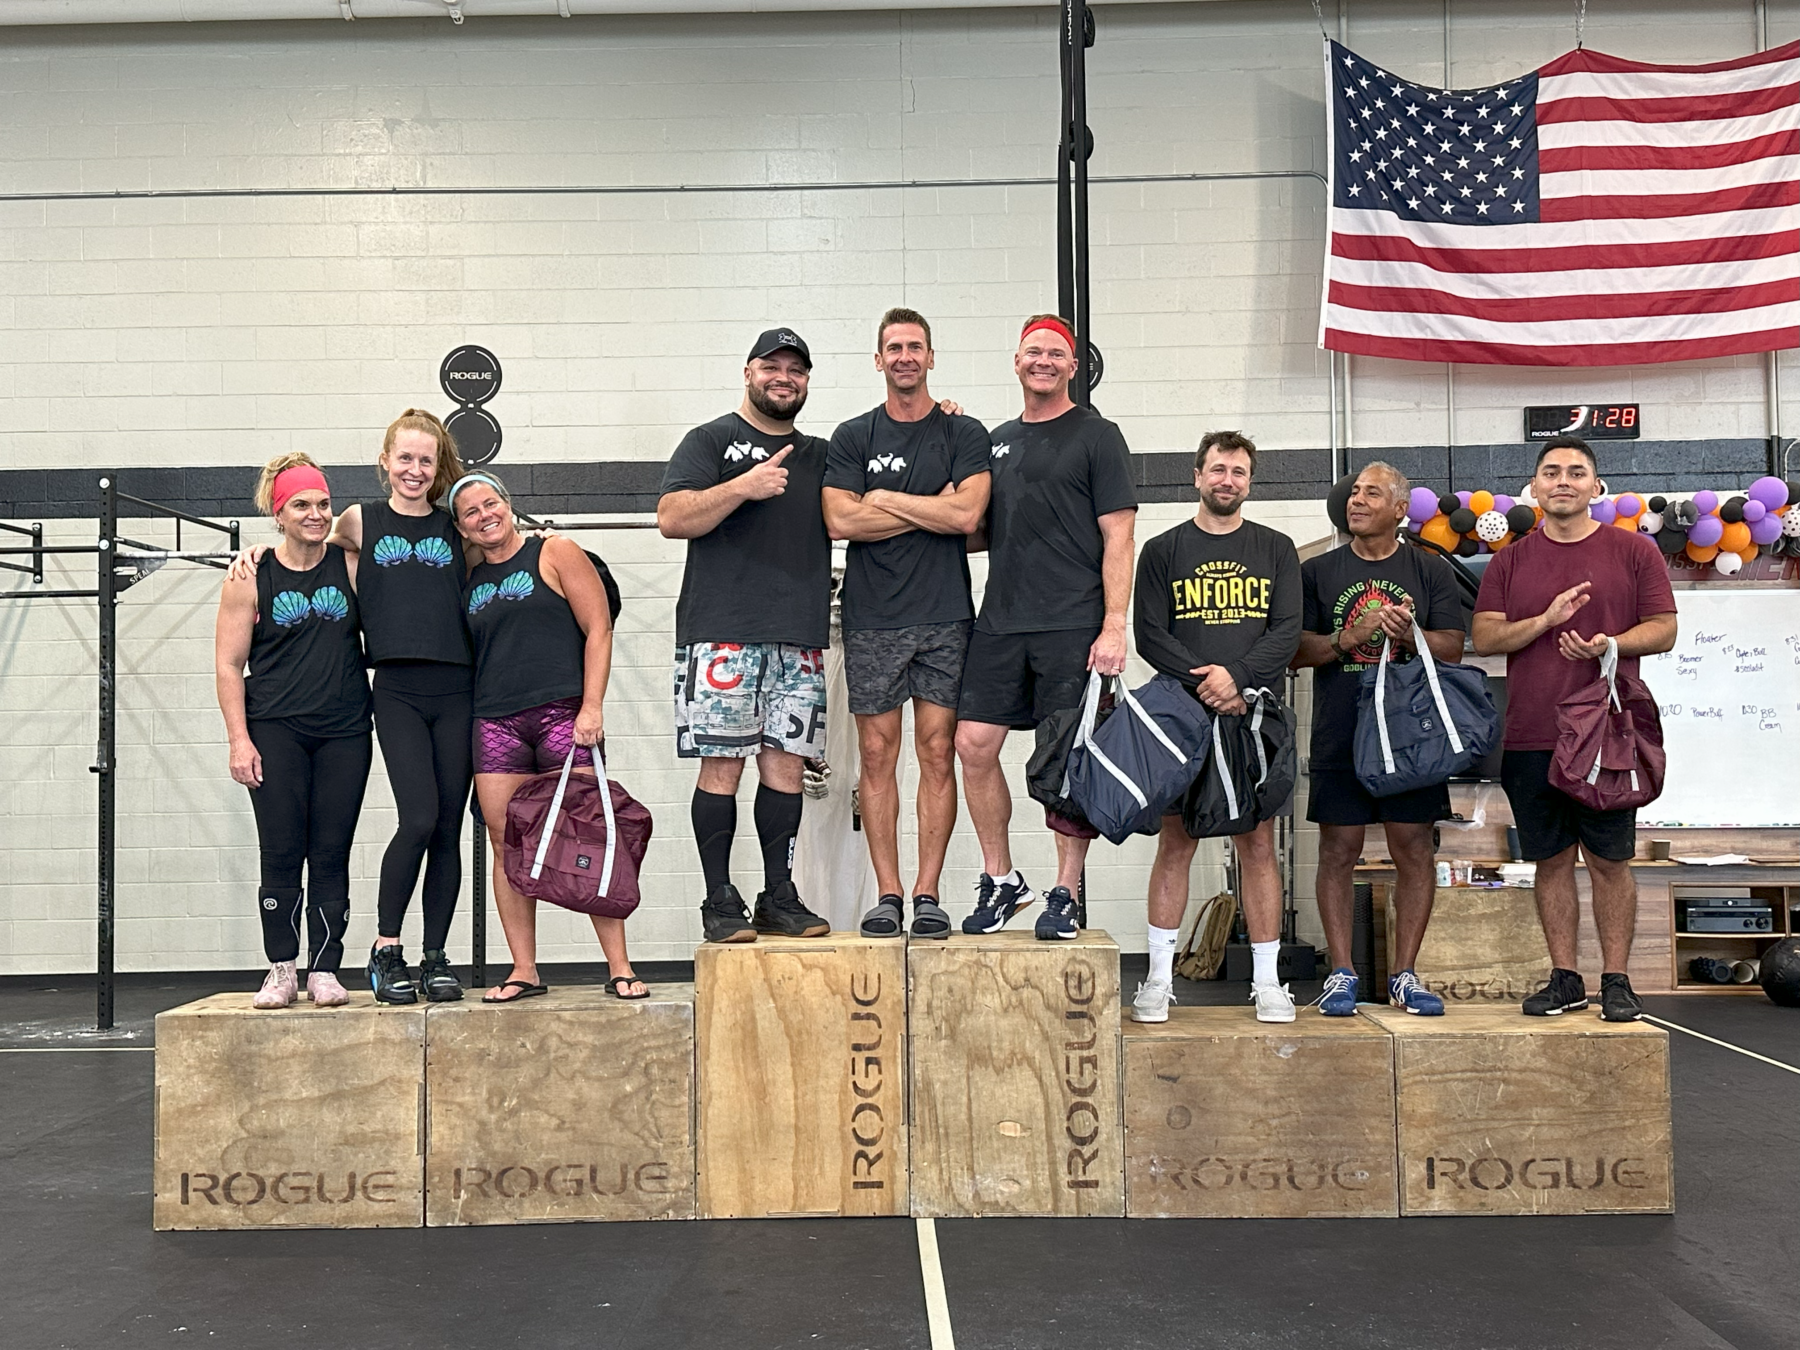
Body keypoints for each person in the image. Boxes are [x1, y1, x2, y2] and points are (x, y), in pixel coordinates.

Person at [228, 411, 475, 1006]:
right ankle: (335, 957)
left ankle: (417, 958)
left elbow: (494, 553)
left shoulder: (447, 531)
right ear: (385, 461)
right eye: (405, 458)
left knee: (440, 830)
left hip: (425, 698)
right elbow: (302, 544)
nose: (415, 469)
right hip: (375, 696)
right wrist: (254, 552)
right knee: (401, 820)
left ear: (438, 467)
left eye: (426, 459)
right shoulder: (356, 525)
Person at [1473, 436, 1677, 1022]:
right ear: (1534, 488)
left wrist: (1610, 643)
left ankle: (1618, 980)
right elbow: (1486, 637)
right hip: (1532, 735)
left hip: (1608, 736)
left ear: (1596, 487)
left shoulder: (1634, 551)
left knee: (1611, 860)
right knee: (1552, 861)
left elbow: (1664, 629)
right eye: (1551, 471)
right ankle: (1566, 979)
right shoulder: (1510, 561)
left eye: (1577, 472)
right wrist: (1544, 620)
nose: (1563, 480)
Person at [954, 315, 1136, 941]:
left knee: (1066, 762)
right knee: (972, 745)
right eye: (1034, 352)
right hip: (1001, 623)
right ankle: (1002, 879)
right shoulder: (996, 441)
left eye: (1056, 354)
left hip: (1072, 625)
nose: (1044, 362)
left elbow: (1120, 535)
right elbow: (977, 528)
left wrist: (1115, 626)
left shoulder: (1098, 435)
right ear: (1016, 361)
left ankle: (1065, 891)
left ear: (1073, 366)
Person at [657, 328, 834, 944]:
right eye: (772, 366)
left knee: (784, 771)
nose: (783, 377)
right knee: (722, 769)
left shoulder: (821, 455)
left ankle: (777, 895)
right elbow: (672, 518)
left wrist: (942, 413)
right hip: (721, 633)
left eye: (796, 369)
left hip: (799, 637)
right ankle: (718, 900)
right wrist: (744, 486)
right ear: (748, 371)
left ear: (807, 381)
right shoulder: (708, 440)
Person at [822, 308, 991, 940]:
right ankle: (887, 893)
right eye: (893, 347)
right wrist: (932, 506)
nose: (904, 357)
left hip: (945, 616)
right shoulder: (853, 435)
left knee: (937, 751)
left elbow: (969, 516)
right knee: (875, 754)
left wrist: (885, 500)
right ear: (877, 359)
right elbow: (841, 522)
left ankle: (926, 893)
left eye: (914, 346)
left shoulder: (962, 431)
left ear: (930, 356)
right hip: (873, 619)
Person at [451, 470, 647, 1002]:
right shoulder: (466, 575)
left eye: (490, 503)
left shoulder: (554, 550)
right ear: (462, 528)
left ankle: (620, 967)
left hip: (564, 712)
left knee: (587, 831)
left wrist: (592, 706)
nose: (484, 515)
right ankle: (524, 970)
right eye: (470, 512)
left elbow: (599, 628)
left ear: (509, 505)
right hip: (496, 722)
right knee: (505, 840)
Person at [1132, 431, 1301, 1023]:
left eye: (1239, 472)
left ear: (1249, 483)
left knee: (1256, 844)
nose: (1227, 480)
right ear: (1197, 476)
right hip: (1182, 717)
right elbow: (1150, 634)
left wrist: (1238, 677)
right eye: (1218, 470)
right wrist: (1208, 682)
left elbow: (1286, 631)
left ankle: (1267, 981)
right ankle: (1156, 979)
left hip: (1252, 716)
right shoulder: (1162, 550)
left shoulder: (1277, 550)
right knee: (1175, 842)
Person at [1292, 462, 1464, 1017]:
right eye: (1353, 493)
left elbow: (1455, 647)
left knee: (1412, 849)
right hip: (1341, 729)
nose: (1357, 500)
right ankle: (1341, 973)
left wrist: (1411, 634)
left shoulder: (1430, 570)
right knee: (1337, 850)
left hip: (1411, 734)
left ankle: (1404, 975)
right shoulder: (1317, 572)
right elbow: (1296, 652)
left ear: (1399, 510)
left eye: (1372, 493)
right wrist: (1352, 635)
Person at [215, 454, 372, 1009]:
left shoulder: (348, 564)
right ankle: (281, 967)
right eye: (301, 505)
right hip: (276, 730)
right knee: (281, 851)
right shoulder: (250, 576)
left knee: (332, 852)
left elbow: (373, 521)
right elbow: (229, 665)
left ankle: (325, 969)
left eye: (322, 503)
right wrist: (240, 738)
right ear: (278, 514)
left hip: (345, 732)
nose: (315, 514)